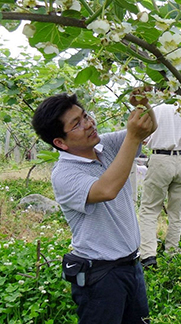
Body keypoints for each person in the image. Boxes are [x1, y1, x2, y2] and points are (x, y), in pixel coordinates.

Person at [31, 91, 156, 324]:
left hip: (131, 266)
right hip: (100, 276)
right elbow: (106, 190)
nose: (89, 124)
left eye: (86, 116)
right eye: (77, 124)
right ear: (60, 142)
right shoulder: (64, 175)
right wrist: (132, 137)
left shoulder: (105, 145)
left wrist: (143, 105)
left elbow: (146, 130)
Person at [138, 102, 181, 269]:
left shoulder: (153, 108)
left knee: (150, 208)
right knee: (177, 210)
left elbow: (142, 138)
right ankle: (172, 251)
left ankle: (148, 255)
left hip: (161, 158)